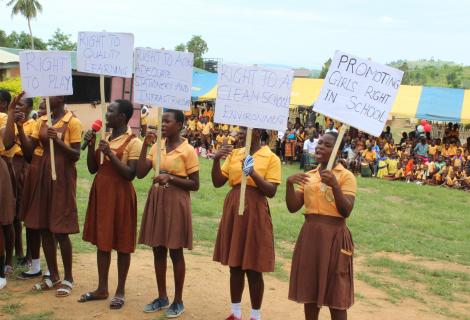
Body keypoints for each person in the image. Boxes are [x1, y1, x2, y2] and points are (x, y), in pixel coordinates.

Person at [212, 127, 281, 320]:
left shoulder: (271, 158)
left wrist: (252, 173)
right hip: (234, 206)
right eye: (239, 128)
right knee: (235, 264)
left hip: (255, 210)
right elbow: (218, 182)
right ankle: (235, 313)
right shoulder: (235, 153)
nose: (238, 132)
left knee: (253, 266)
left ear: (257, 131)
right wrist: (217, 159)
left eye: (243, 129)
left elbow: (271, 191)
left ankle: (255, 315)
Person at [286, 131, 356, 320]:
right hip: (310, 236)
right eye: (319, 143)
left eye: (326, 145)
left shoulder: (346, 176)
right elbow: (293, 207)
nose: (319, 146)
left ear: (337, 151)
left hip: (335, 237)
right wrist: (288, 185)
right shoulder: (309, 176)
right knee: (310, 290)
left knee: (336, 293)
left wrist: (335, 185)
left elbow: (346, 210)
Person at [79, 100, 142, 309]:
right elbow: (92, 168)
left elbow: (131, 174)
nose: (107, 115)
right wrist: (91, 147)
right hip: (102, 193)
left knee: (122, 242)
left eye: (111, 112)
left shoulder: (134, 141)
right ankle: (102, 287)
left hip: (121, 195)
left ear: (122, 117)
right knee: (102, 241)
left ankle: (120, 291)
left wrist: (110, 154)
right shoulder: (105, 137)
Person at [137, 109, 199, 318]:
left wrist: (170, 178)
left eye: (167, 121)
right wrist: (146, 144)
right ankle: (162, 296)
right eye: (162, 121)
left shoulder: (188, 150)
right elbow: (140, 172)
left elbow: (195, 184)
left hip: (176, 202)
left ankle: (178, 300)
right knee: (158, 249)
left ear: (179, 124)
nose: (163, 124)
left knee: (175, 251)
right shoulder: (157, 146)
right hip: (157, 200)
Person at [18, 95, 82, 297]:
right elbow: (29, 152)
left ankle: (68, 277)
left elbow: (76, 155)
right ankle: (53, 274)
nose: (45, 97)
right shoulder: (42, 121)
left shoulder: (73, 121)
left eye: (50, 94)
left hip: (62, 174)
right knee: (44, 226)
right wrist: (20, 128)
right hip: (44, 171)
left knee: (60, 229)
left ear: (60, 98)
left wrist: (58, 141)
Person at [0, 91, 19, 289]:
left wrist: (12, 111)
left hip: (1, 168)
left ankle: (6, 264)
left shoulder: (3, 117)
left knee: (5, 220)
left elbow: (7, 141)